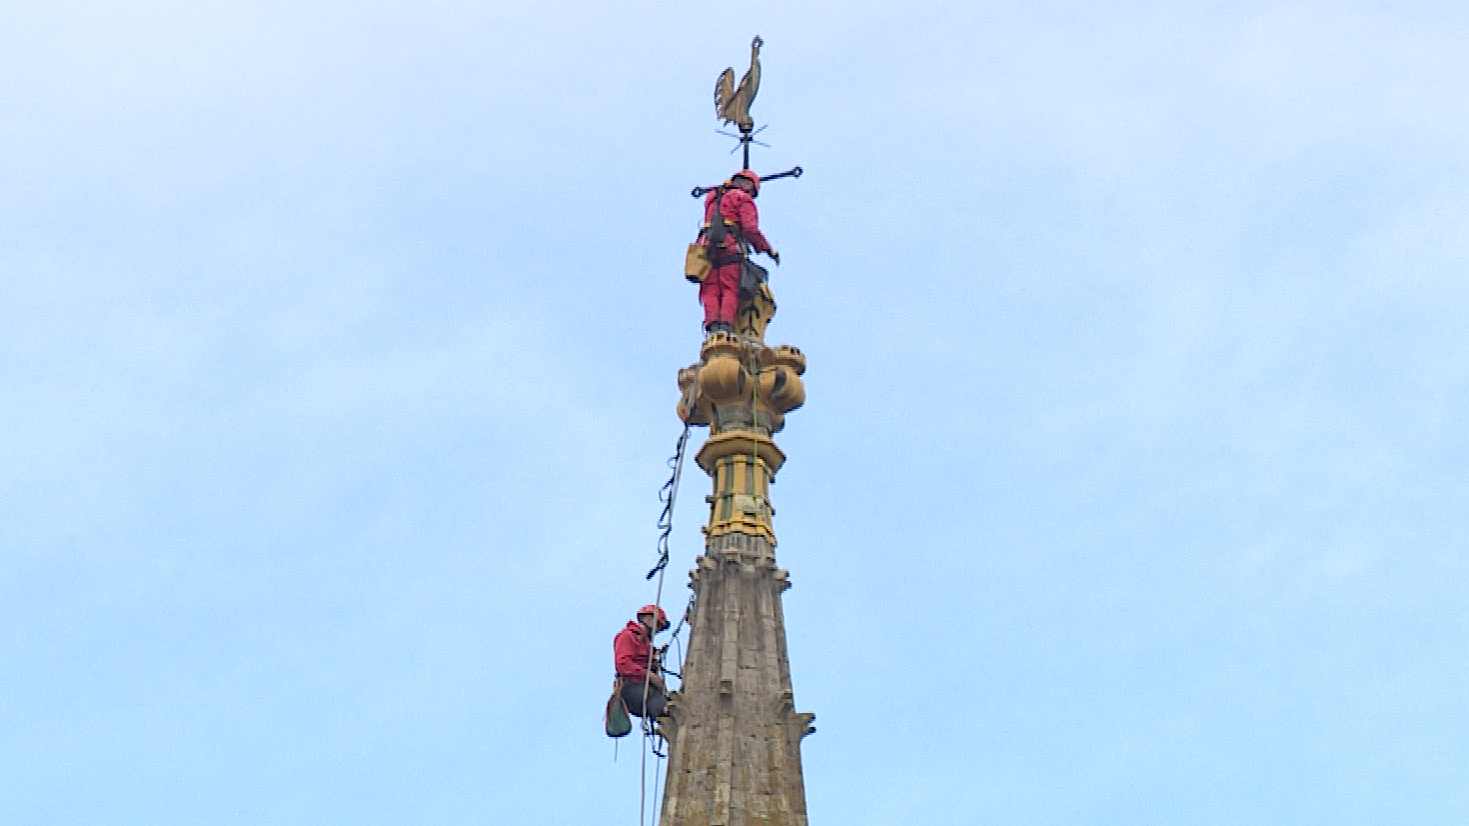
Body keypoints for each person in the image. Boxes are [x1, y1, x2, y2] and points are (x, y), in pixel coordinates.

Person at [698, 170, 780, 336]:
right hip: (730, 247)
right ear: (747, 185)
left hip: (706, 249)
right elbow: (750, 229)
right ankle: (725, 326)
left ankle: (712, 325)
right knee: (730, 288)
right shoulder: (742, 198)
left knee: (710, 289)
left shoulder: (712, 197)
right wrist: (767, 249)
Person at [613, 604, 671, 718]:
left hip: (646, 689)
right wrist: (650, 676)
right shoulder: (628, 636)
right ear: (649, 619)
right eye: (658, 625)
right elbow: (623, 663)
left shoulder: (646, 644)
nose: (658, 631)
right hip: (632, 688)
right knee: (664, 708)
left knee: (667, 702)